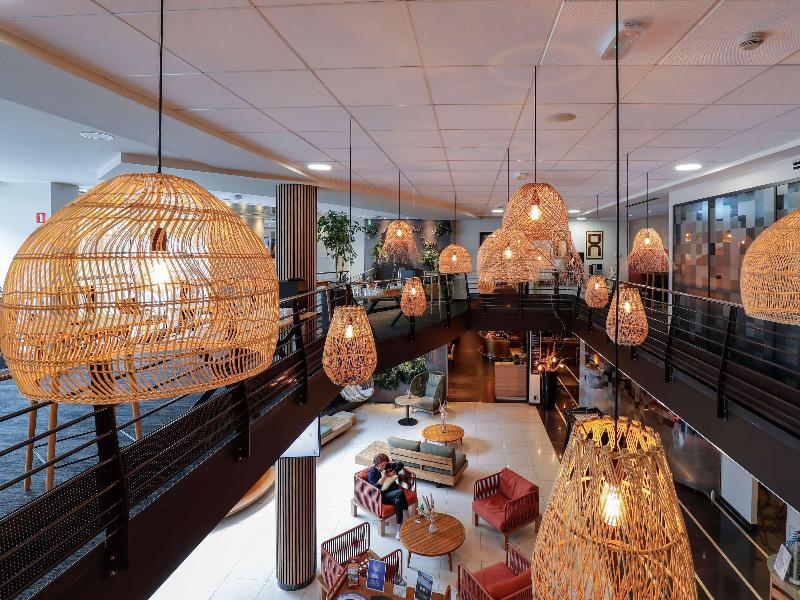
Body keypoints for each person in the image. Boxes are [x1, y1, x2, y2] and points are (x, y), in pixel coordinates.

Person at [368, 453, 409, 539]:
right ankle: (408, 517)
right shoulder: (372, 472)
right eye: (382, 465)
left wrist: (393, 472)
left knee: (399, 501)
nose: (384, 467)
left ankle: (399, 530)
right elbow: (374, 489)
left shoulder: (386, 466)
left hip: (393, 492)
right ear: (377, 464)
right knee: (400, 492)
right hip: (383, 496)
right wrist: (384, 477)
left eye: (385, 465)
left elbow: (400, 464)